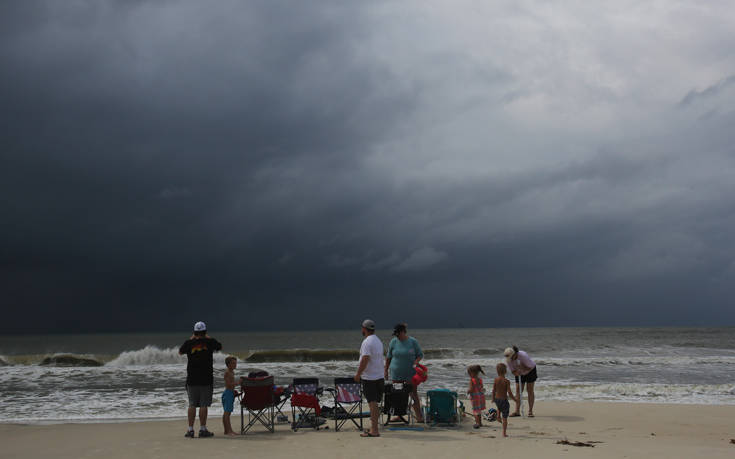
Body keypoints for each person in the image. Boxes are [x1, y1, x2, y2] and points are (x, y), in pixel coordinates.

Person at [179, 321, 222, 438]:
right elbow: (220, 346)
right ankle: (203, 429)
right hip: (206, 378)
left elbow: (180, 352)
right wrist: (207, 337)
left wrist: (192, 338)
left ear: (194, 332)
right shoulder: (210, 342)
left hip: (192, 378)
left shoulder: (189, 343)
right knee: (203, 404)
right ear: (205, 332)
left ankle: (190, 430)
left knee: (192, 404)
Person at [384, 323, 424, 422]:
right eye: (395, 334)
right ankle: (399, 415)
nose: (396, 336)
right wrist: (385, 370)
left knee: (413, 394)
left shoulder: (412, 341)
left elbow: (420, 355)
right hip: (396, 373)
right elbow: (388, 357)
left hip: (410, 374)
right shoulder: (393, 342)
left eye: (398, 333)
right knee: (398, 395)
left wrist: (416, 361)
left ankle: (419, 416)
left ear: (403, 332)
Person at [354, 319, 384, 437]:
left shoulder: (367, 342)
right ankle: (374, 427)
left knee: (372, 403)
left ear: (364, 329)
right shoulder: (378, 341)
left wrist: (358, 374)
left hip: (370, 377)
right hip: (379, 376)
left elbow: (365, 359)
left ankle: (374, 430)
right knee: (375, 402)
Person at [504, 345, 538, 417]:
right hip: (519, 372)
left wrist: (522, 367)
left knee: (530, 390)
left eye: (511, 357)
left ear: (515, 354)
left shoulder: (523, 356)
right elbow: (513, 371)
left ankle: (530, 411)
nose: (510, 360)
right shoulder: (508, 360)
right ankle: (517, 411)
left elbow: (529, 368)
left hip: (531, 371)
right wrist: (517, 373)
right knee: (518, 390)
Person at [491, 362, 516, 437]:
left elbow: (493, 390)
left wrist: (493, 398)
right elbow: (509, 392)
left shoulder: (496, 380)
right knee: (505, 417)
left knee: (499, 407)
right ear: (505, 371)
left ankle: (498, 416)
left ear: (497, 371)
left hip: (497, 399)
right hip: (504, 400)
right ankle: (504, 433)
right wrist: (514, 399)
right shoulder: (506, 381)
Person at [221, 356, 239, 436]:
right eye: (233, 363)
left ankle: (226, 430)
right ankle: (229, 430)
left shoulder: (232, 372)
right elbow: (228, 384)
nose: (235, 365)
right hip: (228, 393)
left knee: (226, 413)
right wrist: (237, 383)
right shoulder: (227, 372)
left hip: (230, 393)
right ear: (228, 364)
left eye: (235, 363)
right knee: (227, 413)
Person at [466, 364, 485, 429]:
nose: (469, 375)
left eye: (469, 373)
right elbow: (482, 387)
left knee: (475, 411)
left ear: (472, 373)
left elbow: (471, 389)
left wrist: (468, 391)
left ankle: (477, 423)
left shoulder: (472, 380)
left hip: (475, 398)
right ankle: (480, 423)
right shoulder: (480, 380)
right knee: (479, 411)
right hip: (480, 397)